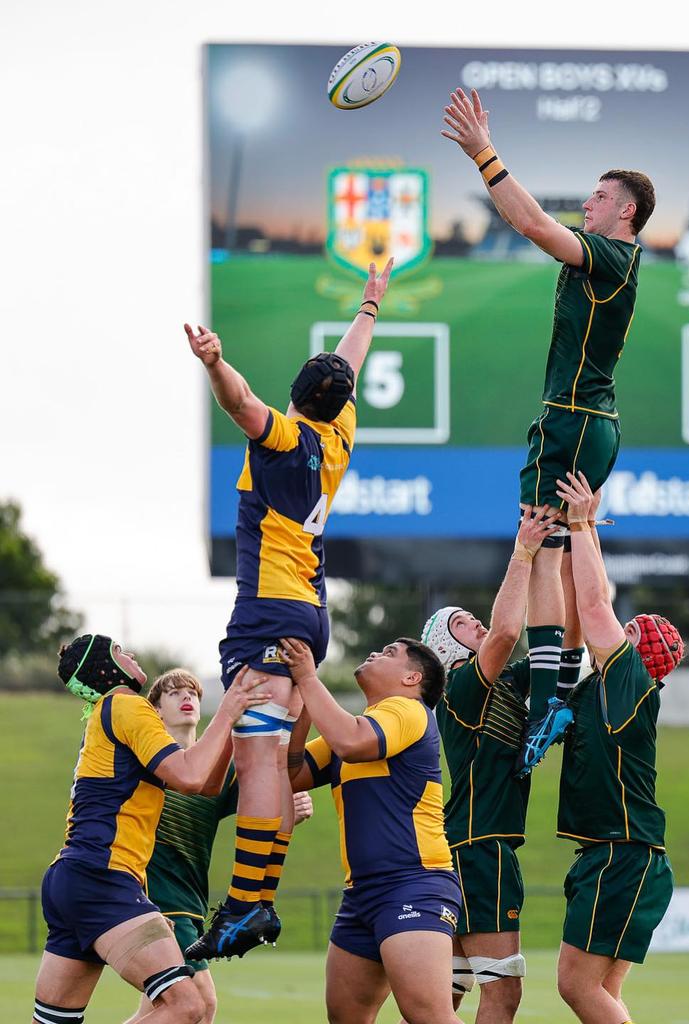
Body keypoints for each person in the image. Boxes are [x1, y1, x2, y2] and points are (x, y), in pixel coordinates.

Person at [442, 87, 656, 774]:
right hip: (597, 424)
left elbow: (532, 223)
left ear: (625, 210)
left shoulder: (610, 255)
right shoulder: (614, 259)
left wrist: (483, 151)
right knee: (559, 550)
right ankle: (559, 693)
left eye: (598, 196)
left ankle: (544, 707)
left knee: (537, 550)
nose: (587, 204)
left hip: (571, 421)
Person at [184, 257, 393, 959]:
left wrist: (215, 363)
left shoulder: (287, 435)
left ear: (297, 396)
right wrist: (369, 307)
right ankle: (256, 903)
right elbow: (352, 363)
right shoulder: (338, 434)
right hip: (308, 610)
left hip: (270, 610)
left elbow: (240, 403)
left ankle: (248, 904)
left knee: (261, 759)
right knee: (272, 755)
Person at [32, 634, 261, 1024]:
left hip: (72, 879)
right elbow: (189, 776)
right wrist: (226, 711)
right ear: (105, 667)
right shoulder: (127, 704)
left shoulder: (107, 714)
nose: (131, 654)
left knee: (53, 1021)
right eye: (120, 651)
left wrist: (230, 723)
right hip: (103, 878)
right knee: (189, 1006)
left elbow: (204, 786)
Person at [553, 471, 683, 1024]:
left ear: (638, 652)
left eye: (630, 630)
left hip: (621, 855)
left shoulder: (631, 678)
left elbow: (593, 602)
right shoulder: (611, 685)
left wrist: (583, 521)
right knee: (601, 991)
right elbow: (590, 603)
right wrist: (586, 531)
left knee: (577, 987)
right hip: (621, 854)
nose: (617, 630)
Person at [280, 634, 463, 1024]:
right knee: (346, 1018)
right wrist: (304, 712)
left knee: (429, 1016)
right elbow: (291, 774)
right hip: (361, 894)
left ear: (412, 679)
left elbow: (351, 742)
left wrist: (309, 680)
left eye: (390, 653)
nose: (376, 652)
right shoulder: (362, 726)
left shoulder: (407, 710)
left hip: (414, 884)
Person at [420, 507, 558, 1022]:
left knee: (446, 995)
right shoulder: (461, 688)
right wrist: (522, 550)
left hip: (468, 843)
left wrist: (558, 549)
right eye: (460, 622)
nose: (473, 620)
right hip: (481, 847)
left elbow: (557, 641)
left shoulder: (498, 685)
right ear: (444, 648)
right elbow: (505, 632)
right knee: (502, 992)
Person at [125, 668, 314, 1024]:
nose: (186, 698)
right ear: (156, 710)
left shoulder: (216, 768)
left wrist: (290, 807)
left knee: (159, 1008)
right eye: (174, 692)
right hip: (158, 898)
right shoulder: (147, 759)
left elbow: (264, 798)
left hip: (192, 903)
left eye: (193, 693)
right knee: (201, 1003)